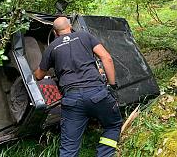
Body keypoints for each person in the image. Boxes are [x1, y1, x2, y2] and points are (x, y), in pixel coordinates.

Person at [34, 17, 123, 157]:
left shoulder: (51, 47)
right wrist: (112, 85)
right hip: (98, 94)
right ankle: (104, 154)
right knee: (113, 125)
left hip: (72, 100)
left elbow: (39, 75)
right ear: (70, 26)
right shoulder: (84, 36)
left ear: (55, 33)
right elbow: (107, 58)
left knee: (69, 148)